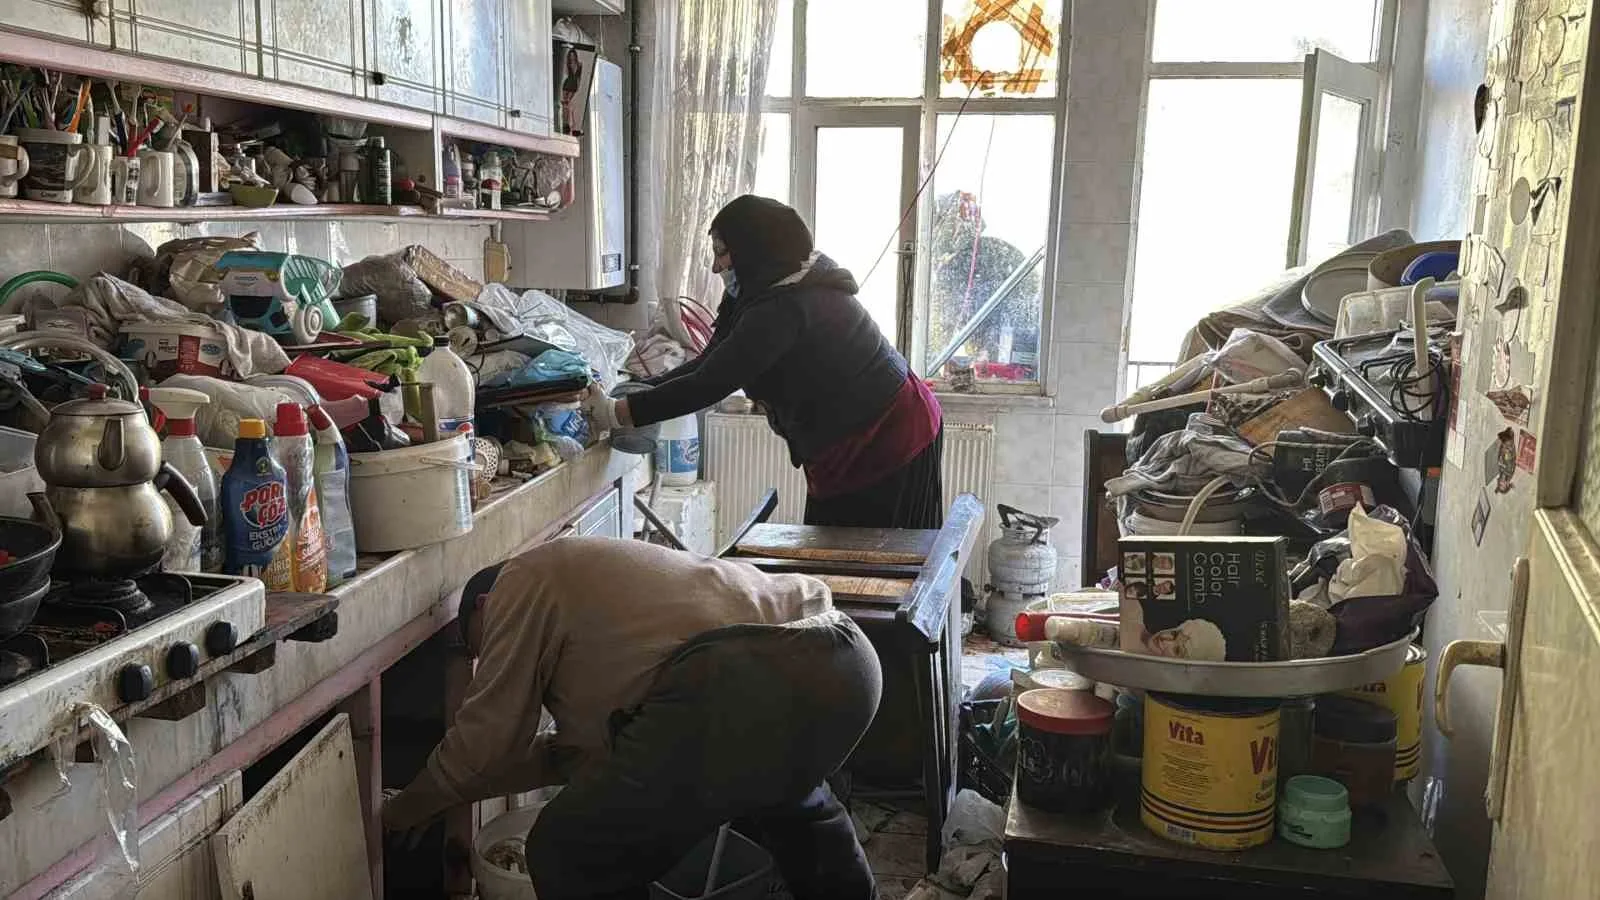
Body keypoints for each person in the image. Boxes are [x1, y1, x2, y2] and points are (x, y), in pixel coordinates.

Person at [380, 537, 882, 900]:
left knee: (567, 849)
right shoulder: (603, 620)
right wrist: (445, 794)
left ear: (485, 605)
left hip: (748, 678)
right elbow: (565, 760)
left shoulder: (521, 579)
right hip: (845, 663)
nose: (493, 660)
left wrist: (400, 812)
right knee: (790, 803)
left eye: (482, 646)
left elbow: (487, 740)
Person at [587, 194, 945, 530]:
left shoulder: (787, 305)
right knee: (833, 547)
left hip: (889, 434)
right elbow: (709, 362)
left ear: (753, 249)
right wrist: (634, 393)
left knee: (866, 555)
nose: (715, 266)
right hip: (850, 436)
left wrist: (617, 413)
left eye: (722, 253)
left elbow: (710, 383)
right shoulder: (760, 290)